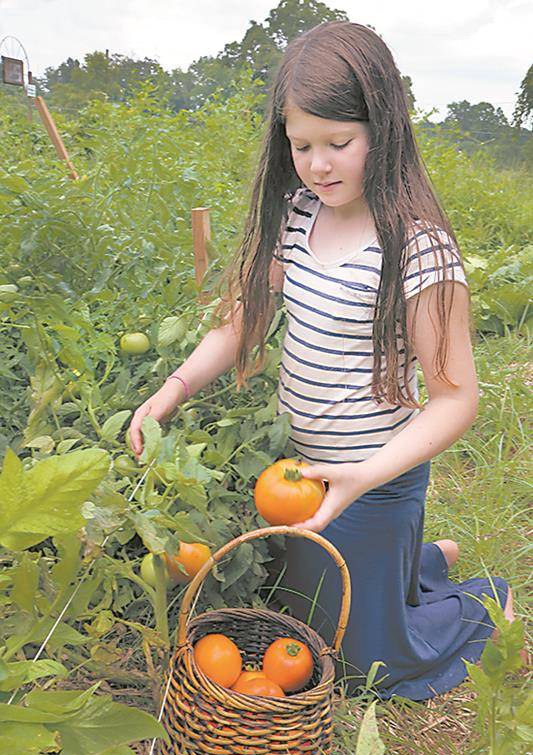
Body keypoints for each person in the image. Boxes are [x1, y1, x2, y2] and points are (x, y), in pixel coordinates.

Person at [128, 21, 521, 701]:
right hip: (298, 476)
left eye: (338, 143)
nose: (317, 165)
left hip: (374, 478)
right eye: (301, 144)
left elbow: (456, 399)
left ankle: (481, 602)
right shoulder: (296, 215)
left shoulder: (417, 250)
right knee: (294, 622)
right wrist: (172, 388)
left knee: (363, 668)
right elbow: (241, 320)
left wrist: (363, 475)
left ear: (383, 130)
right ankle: (415, 566)